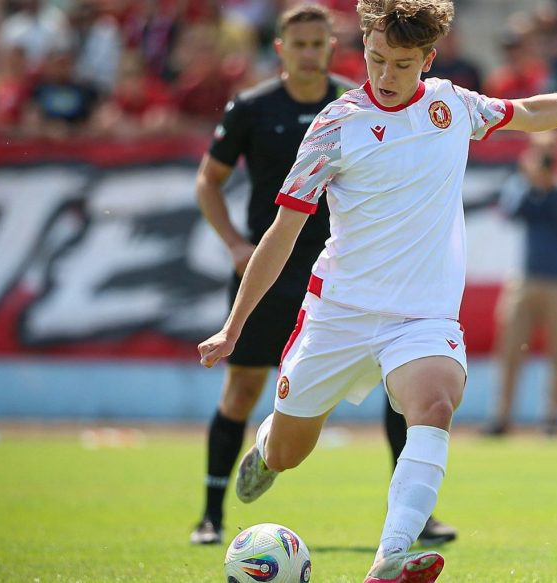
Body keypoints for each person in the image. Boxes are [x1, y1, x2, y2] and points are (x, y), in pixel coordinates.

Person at [197, 0, 557, 581]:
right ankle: (268, 448)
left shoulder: (452, 104)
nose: (385, 76)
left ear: (428, 59)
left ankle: (390, 558)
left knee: (436, 405)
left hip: (421, 316)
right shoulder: (333, 127)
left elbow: (533, 111)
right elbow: (281, 233)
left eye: (400, 64)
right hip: (338, 313)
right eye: (374, 60)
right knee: (292, 450)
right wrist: (234, 327)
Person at [189, 3, 455, 547]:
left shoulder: (409, 104)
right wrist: (236, 252)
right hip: (295, 278)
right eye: (300, 45)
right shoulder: (272, 111)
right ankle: (218, 508)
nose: (310, 54)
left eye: (319, 44)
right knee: (249, 397)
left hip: (375, 286)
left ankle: (406, 530)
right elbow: (211, 184)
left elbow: (518, 111)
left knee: (414, 396)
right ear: (282, 50)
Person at [484, 130, 557, 437]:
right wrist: (532, 183)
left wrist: (548, 187)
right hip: (525, 279)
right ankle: (502, 416)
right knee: (510, 350)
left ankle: (552, 418)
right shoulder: (521, 187)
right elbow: (512, 212)